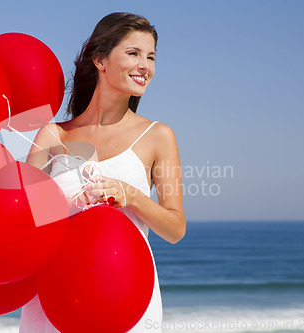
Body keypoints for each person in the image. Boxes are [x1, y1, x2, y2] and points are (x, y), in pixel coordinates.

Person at [20, 12, 186, 333]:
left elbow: (175, 228)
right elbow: (25, 221)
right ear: (100, 59)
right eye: (133, 53)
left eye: (151, 57)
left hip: (124, 296)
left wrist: (132, 196)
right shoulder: (54, 136)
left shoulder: (158, 136)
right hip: (54, 297)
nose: (145, 66)